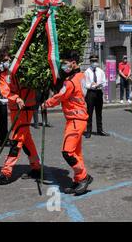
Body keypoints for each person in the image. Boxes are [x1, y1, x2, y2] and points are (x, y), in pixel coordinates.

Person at [42, 51, 93, 195]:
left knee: (67, 152)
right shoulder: (80, 76)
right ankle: (78, 179)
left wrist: (46, 103)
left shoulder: (71, 81)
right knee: (76, 153)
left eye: (66, 62)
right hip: (78, 119)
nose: (63, 65)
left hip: (75, 120)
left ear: (74, 62)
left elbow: (60, 96)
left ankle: (84, 177)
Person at [0, 50, 41, 184]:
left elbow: (31, 84)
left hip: (26, 108)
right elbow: (5, 90)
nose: (6, 62)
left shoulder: (22, 70)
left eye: (8, 59)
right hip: (14, 108)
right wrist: (16, 98)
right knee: (26, 139)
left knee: (17, 139)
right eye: (4, 60)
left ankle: (6, 172)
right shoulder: (3, 74)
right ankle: (36, 167)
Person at [84, 55, 109, 138]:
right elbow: (85, 84)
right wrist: (91, 85)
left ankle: (100, 130)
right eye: (93, 61)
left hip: (99, 92)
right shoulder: (87, 71)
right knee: (89, 113)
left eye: (96, 61)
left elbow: (105, 82)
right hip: (91, 93)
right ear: (90, 62)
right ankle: (88, 131)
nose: (95, 63)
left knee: (99, 112)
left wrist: (101, 85)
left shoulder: (100, 71)